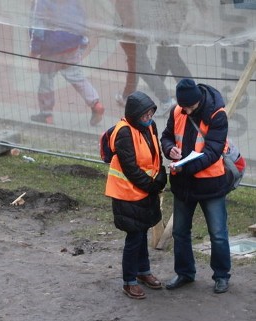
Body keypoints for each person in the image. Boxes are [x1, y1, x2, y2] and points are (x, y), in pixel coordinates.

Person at [160, 78, 233, 294]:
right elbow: (166, 137)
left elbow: (213, 151)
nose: (187, 111)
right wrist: (170, 148)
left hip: (211, 184)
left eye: (190, 107)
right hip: (183, 185)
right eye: (184, 107)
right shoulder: (177, 111)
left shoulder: (217, 115)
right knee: (180, 232)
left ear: (199, 101)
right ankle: (185, 273)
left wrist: (186, 168)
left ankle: (221, 275)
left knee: (218, 233)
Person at [104, 91, 167, 300]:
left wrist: (161, 176)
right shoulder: (124, 132)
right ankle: (129, 281)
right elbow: (130, 167)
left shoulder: (149, 127)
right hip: (128, 193)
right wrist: (152, 184)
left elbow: (156, 153)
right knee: (135, 237)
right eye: (145, 115)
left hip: (144, 190)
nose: (149, 119)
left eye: (150, 114)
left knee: (142, 232)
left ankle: (143, 272)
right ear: (134, 115)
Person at [29, 0, 104, 126]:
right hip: (71, 45)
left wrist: (34, 49)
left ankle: (46, 114)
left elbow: (38, 25)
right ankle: (96, 104)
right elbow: (81, 18)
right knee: (78, 78)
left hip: (50, 49)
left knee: (46, 81)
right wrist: (82, 41)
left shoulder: (41, 2)